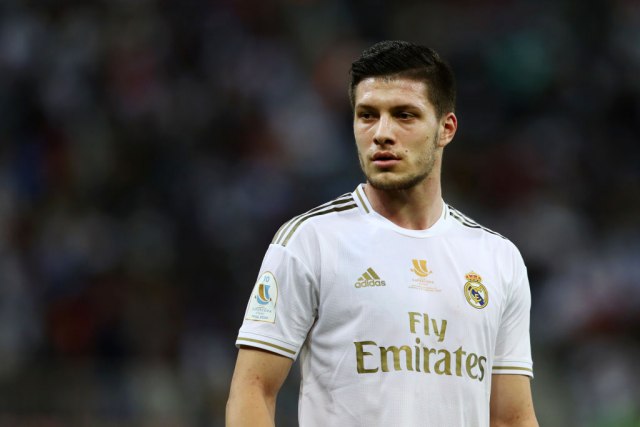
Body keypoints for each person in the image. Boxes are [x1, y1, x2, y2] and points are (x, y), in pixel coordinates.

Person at [226, 40, 538, 427]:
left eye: (404, 115)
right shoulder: (310, 242)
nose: (382, 133)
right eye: (367, 116)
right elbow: (253, 389)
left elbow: (511, 417)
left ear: (446, 129)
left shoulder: (498, 259)